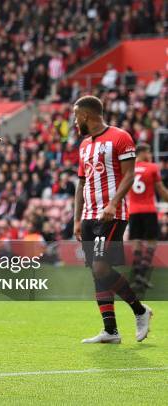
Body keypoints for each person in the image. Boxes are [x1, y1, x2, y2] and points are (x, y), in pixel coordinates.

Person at [72, 95, 152, 344]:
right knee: (97, 273)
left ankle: (140, 311)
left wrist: (114, 202)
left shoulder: (120, 137)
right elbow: (81, 183)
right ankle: (110, 331)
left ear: (86, 115)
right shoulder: (84, 145)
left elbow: (129, 175)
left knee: (101, 267)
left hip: (112, 214)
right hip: (88, 216)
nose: (75, 122)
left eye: (76, 117)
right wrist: (76, 219)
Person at [128, 143, 168, 294]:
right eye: (149, 151)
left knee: (137, 242)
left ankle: (137, 275)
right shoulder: (152, 168)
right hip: (149, 210)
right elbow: (161, 190)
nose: (150, 154)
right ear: (143, 152)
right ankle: (142, 274)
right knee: (151, 242)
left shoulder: (128, 168)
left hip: (133, 211)